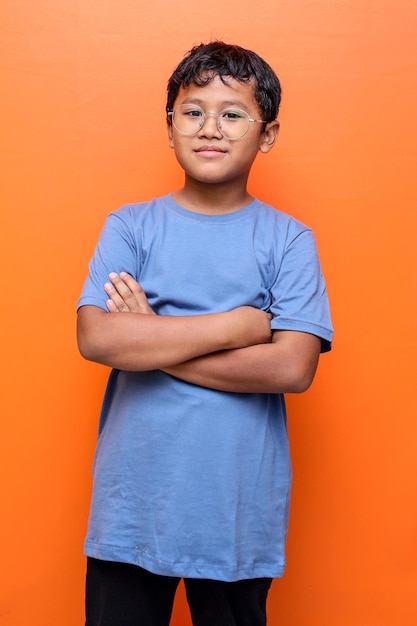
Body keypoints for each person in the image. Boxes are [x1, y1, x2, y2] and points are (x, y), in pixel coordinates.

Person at [77, 41, 333, 626]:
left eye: (233, 113)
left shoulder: (289, 240)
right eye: (192, 112)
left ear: (266, 134)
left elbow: (292, 368)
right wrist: (238, 326)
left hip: (234, 513)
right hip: (132, 511)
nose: (209, 128)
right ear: (170, 127)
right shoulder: (131, 226)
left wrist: (152, 340)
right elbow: (97, 339)